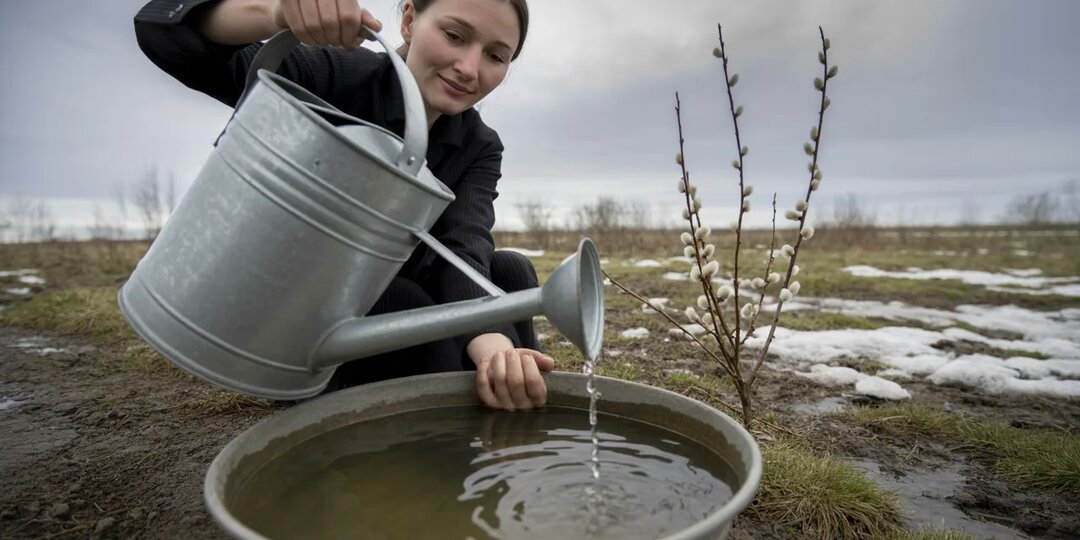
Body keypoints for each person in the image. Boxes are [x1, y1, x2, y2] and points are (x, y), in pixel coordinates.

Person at [133, 0, 552, 410]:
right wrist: (275, 13)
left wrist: (495, 342)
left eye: (496, 56)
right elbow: (163, 31)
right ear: (409, 20)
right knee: (402, 300)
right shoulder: (334, 75)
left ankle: (507, 398)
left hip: (415, 307)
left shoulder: (479, 145)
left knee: (511, 271)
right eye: (455, 36)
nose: (469, 68)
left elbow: (463, 247)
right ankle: (426, 439)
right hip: (310, 326)